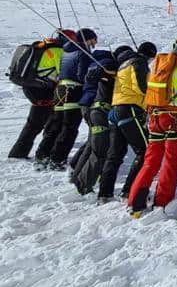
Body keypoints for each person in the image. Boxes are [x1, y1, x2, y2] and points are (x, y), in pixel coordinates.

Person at [127, 35, 177, 216]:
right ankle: (162, 201)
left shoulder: (159, 62)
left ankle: (135, 201)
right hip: (175, 116)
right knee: (172, 161)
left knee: (151, 161)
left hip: (155, 116)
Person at [98, 41, 156, 203]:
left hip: (116, 109)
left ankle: (105, 192)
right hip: (130, 109)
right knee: (145, 151)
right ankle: (130, 189)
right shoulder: (139, 62)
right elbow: (141, 86)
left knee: (115, 155)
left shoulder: (123, 64)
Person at [38, 28, 98, 170]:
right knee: (69, 128)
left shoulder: (66, 51)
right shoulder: (83, 52)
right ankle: (57, 159)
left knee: (56, 125)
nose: (95, 44)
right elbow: (83, 75)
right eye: (94, 40)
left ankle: (42, 155)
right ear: (88, 39)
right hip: (73, 91)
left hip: (59, 90)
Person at [8, 29, 72, 159]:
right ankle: (19, 154)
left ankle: (43, 147)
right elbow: (63, 73)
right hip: (43, 91)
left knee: (48, 118)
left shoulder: (42, 46)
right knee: (36, 124)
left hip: (32, 87)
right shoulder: (58, 52)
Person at [71, 47, 121, 194]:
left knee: (92, 145)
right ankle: (83, 184)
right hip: (98, 107)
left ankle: (77, 175)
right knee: (99, 149)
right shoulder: (108, 66)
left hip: (87, 105)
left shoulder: (95, 62)